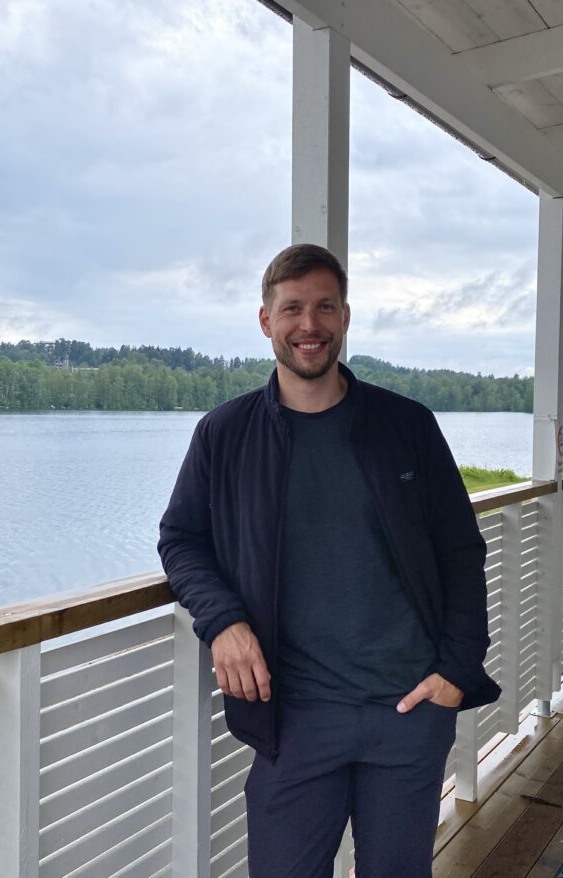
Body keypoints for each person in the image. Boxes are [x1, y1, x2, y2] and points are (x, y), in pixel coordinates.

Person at [158, 243, 500, 877]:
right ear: (266, 320)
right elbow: (180, 539)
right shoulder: (225, 434)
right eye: (292, 308)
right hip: (293, 717)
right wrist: (223, 621)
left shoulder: (407, 426)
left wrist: (456, 671)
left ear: (345, 316)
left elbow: (460, 551)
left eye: (324, 307)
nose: (308, 324)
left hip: (407, 711)